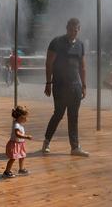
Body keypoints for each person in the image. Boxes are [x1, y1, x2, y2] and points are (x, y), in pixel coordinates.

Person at [42, 18, 89, 157]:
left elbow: (83, 67)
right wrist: (48, 83)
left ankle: (75, 147)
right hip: (60, 86)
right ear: (66, 27)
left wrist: (84, 86)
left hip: (76, 86)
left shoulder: (80, 45)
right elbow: (48, 63)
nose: (73, 32)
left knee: (73, 116)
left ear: (79, 30)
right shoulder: (57, 42)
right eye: (71, 29)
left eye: (76, 29)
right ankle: (46, 142)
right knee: (58, 114)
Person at [3, 105, 32, 178]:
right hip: (15, 144)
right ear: (20, 117)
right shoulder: (16, 125)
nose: (26, 119)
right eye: (25, 118)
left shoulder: (18, 123)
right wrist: (26, 136)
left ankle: (21, 169)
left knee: (22, 156)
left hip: (20, 144)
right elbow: (17, 134)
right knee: (13, 158)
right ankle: (6, 171)